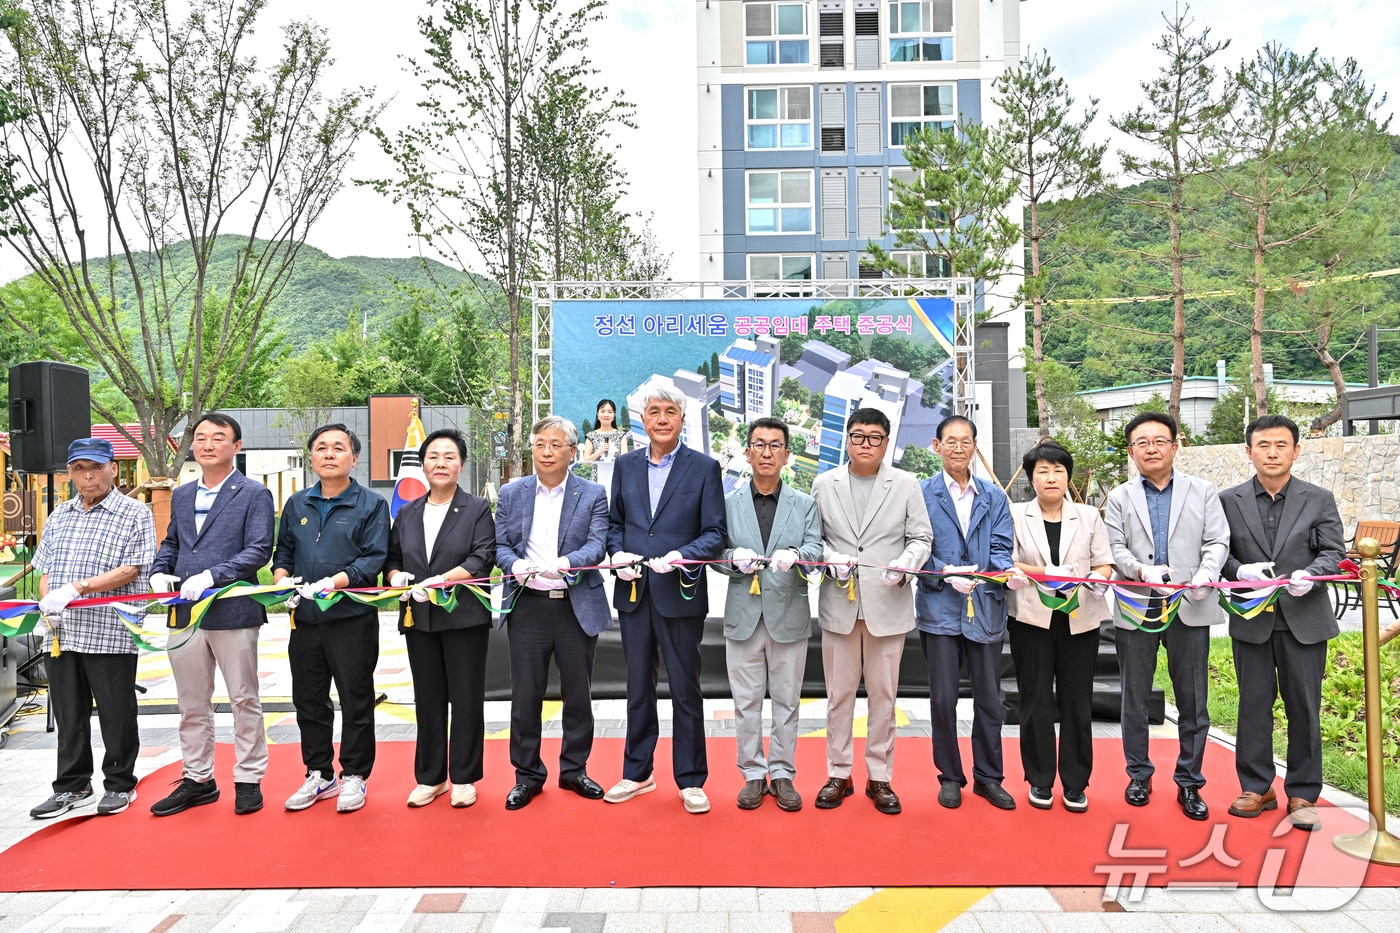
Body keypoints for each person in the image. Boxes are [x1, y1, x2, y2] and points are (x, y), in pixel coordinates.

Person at [605, 383, 726, 814]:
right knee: (638, 687)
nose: (661, 419)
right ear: (642, 417)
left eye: (669, 411)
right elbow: (615, 522)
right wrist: (616, 553)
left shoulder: (705, 468)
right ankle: (637, 773)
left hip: (681, 592)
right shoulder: (625, 466)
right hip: (634, 591)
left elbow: (715, 533)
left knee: (685, 688)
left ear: (682, 418)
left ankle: (691, 779)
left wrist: (682, 555)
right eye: (653, 411)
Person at [147, 413, 276, 817]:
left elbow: (258, 550)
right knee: (190, 701)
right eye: (200, 438)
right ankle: (198, 777)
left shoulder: (254, 493)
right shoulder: (182, 495)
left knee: (243, 697)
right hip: (185, 613)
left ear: (236, 446)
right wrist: (158, 571)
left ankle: (249, 777)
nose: (206, 445)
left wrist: (211, 575)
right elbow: (173, 543)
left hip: (233, 609)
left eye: (217, 438)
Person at [1220, 415, 1344, 832]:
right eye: (1263, 445)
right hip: (1252, 617)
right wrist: (1240, 571)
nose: (1272, 453)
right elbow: (1219, 555)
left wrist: (1312, 574)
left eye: (1280, 445)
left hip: (1304, 618)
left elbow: (1334, 552)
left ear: (1295, 449)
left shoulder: (1318, 498)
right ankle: (1256, 786)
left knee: (1304, 708)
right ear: (1249, 450)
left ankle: (1304, 792)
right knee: (1253, 704)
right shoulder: (1228, 500)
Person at [1104, 412, 1229, 821]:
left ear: (1176, 446)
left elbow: (1216, 540)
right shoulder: (1119, 496)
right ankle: (1138, 774)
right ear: (1131, 451)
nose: (1151, 448)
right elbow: (1114, 547)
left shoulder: (1203, 491)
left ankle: (1190, 781)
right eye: (1142, 442)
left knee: (1193, 699)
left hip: (1189, 603)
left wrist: (1207, 574)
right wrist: (1140, 570)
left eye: (1160, 441)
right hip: (1138, 602)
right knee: (1134, 696)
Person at [810, 407, 932, 815]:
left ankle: (880, 776)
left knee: (884, 696)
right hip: (839, 603)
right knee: (838, 696)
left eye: (874, 437)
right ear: (846, 439)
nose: (865, 444)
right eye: (858, 436)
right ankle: (838, 773)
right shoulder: (824, 482)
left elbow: (921, 537)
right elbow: (813, 539)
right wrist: (831, 558)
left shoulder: (906, 484)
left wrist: (906, 564)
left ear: (886, 442)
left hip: (887, 602)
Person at [29, 438, 156, 819]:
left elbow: (132, 568)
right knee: (69, 712)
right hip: (61, 633)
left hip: (110, 629)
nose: (89, 476)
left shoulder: (134, 513)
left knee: (117, 711)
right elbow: (47, 569)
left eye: (96, 468)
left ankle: (120, 783)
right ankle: (72, 785)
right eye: (79, 469)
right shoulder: (59, 514)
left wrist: (78, 587)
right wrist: (49, 600)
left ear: (113, 469)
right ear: (69, 474)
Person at [272, 424, 390, 814]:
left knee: (356, 698)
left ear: (353, 458)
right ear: (311, 457)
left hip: (351, 618)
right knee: (308, 699)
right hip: (304, 619)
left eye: (338, 448)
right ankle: (319, 773)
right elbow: (283, 554)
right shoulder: (296, 504)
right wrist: (282, 582)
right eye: (320, 448)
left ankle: (355, 774)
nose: (328, 454)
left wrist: (335, 581)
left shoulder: (371, 504)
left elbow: (373, 559)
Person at [495, 416, 611, 809]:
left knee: (578, 695)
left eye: (555, 444)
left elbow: (597, 546)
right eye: (540, 443)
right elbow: (500, 546)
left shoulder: (593, 493)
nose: (546, 451)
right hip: (527, 606)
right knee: (525, 696)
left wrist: (566, 562)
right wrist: (513, 565)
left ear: (572, 452)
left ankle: (574, 769)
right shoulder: (512, 493)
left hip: (574, 606)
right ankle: (527, 775)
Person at [715, 417, 822, 812]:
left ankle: (782, 774)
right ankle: (752, 774)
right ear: (747, 452)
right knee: (745, 703)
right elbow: (716, 552)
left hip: (789, 615)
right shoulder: (727, 504)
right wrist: (732, 559)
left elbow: (815, 549)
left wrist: (796, 556)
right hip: (743, 615)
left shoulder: (806, 504)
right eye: (759, 445)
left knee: (787, 701)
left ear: (787, 455)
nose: (766, 452)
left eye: (775, 445)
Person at [386, 428, 496, 809]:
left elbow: (483, 557)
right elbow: (393, 558)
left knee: (465, 699)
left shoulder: (477, 509)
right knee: (427, 700)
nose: (441, 464)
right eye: (433, 456)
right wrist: (396, 577)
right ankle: (431, 777)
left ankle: (464, 777)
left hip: (463, 617)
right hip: (420, 618)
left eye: (449, 457)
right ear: (423, 464)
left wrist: (444, 579)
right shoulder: (409, 511)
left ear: (461, 465)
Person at [1006, 439, 1114, 813]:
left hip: (1079, 620)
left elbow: (1104, 563)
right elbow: (1008, 561)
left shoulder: (1088, 517)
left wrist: (1098, 577)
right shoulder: (1016, 514)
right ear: (1031, 478)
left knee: (1076, 700)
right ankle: (1039, 778)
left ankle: (1075, 781)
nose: (1051, 478)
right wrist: (1047, 573)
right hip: (1031, 618)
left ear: (1068, 476)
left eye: (1058, 470)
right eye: (1043, 471)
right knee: (1034, 699)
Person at [917, 415, 1017, 811]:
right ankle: (950, 776)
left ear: (975, 445)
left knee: (989, 699)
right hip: (939, 608)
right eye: (951, 440)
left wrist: (988, 574)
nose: (958, 447)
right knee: (942, 699)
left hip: (985, 608)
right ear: (936, 446)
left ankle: (989, 777)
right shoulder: (921, 494)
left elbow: (1002, 548)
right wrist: (945, 572)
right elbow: (917, 547)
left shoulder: (993, 497)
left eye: (966, 441)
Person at [581, 399, 627, 463]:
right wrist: (600, 451)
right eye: (602, 411)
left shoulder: (621, 435)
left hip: (616, 472)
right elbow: (585, 462)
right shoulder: (591, 436)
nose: (606, 415)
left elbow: (625, 459)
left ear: (614, 415)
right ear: (597, 414)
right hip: (598, 472)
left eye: (610, 412)